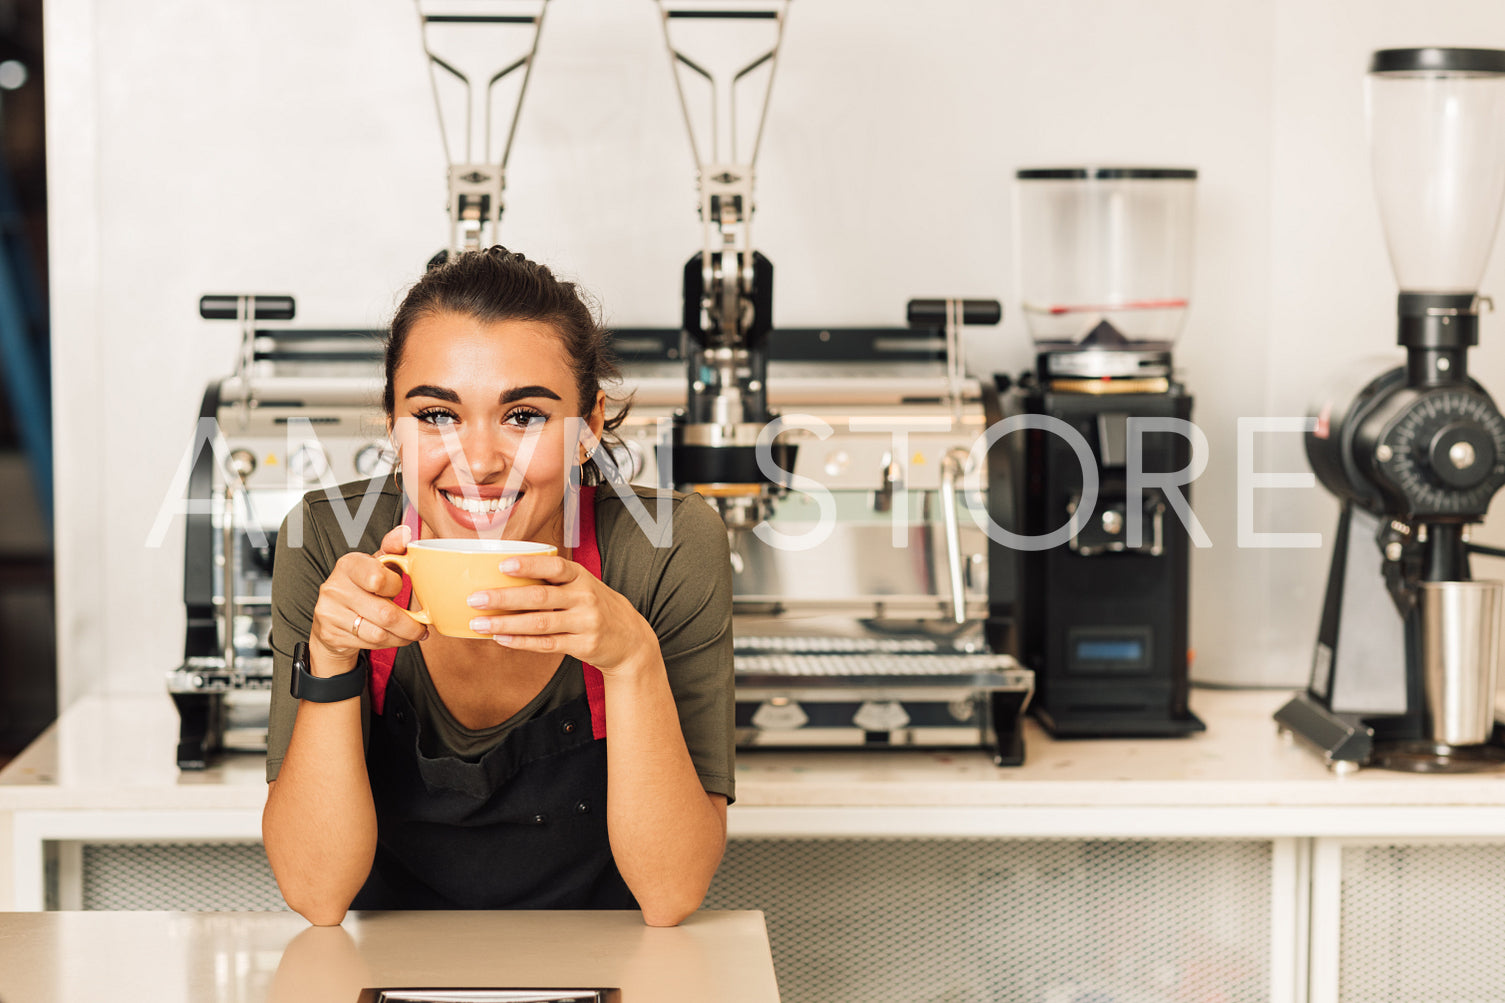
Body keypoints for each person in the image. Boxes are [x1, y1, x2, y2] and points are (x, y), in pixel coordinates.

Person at [261, 247, 735, 927]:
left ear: (588, 427)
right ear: (393, 425)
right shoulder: (328, 539)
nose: (478, 461)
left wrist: (631, 657)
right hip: (387, 966)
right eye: (435, 415)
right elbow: (315, 891)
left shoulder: (666, 546)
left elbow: (670, 893)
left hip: (609, 963)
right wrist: (333, 657)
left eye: (523, 416)